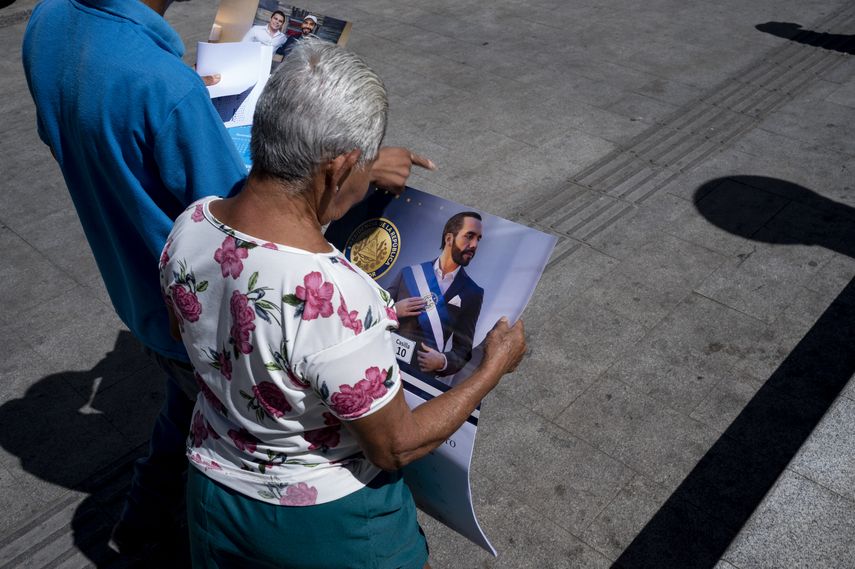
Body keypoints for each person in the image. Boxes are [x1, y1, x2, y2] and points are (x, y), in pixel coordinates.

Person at [21, 0, 434, 557]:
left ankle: (141, 529)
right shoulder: (167, 90)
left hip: (149, 290)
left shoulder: (47, 23)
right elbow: (250, 222)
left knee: (195, 407)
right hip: (218, 303)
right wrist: (354, 168)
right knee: (232, 416)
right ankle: (169, 532)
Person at [160, 39, 525, 568]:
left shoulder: (191, 224)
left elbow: (183, 331)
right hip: (319, 525)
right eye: (364, 167)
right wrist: (491, 367)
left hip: (212, 488)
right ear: (339, 168)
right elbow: (394, 446)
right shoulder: (334, 296)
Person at [387, 212, 485, 383]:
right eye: (469, 236)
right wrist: (393, 310)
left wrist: (443, 362)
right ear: (449, 239)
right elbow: (372, 314)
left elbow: (463, 349)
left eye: (478, 239)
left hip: (420, 380)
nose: (475, 245)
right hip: (384, 364)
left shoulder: (473, 292)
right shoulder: (408, 274)